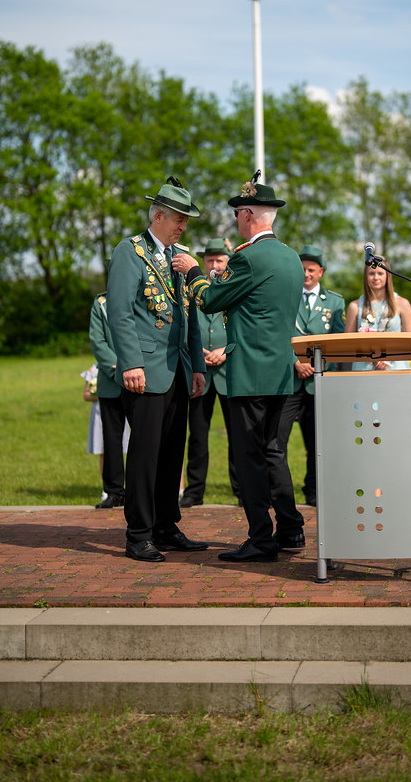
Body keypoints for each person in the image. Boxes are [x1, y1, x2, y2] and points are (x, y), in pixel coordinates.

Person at [173, 171, 305, 563]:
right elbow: (259, 303)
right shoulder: (291, 258)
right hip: (281, 371)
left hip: (249, 373)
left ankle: (261, 538)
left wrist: (195, 272)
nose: (235, 219)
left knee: (249, 457)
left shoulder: (247, 256)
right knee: (275, 454)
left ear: (248, 215)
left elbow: (211, 301)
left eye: (237, 213)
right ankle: (291, 528)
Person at [106, 177, 208, 562]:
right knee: (146, 454)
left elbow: (189, 314)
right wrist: (131, 362)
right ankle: (139, 533)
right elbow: (119, 312)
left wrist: (197, 365)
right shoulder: (129, 251)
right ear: (159, 215)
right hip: (145, 369)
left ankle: (166, 525)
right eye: (179, 218)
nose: (183, 226)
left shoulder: (181, 255)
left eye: (186, 220)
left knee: (170, 454)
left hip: (178, 370)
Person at [274, 244, 346, 506]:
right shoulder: (285, 297)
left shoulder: (335, 302)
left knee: (317, 442)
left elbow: (338, 341)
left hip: (319, 379)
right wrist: (296, 362)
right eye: (302, 269)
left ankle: (314, 490)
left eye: (311, 270)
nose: (306, 274)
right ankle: (278, 492)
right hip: (289, 379)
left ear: (321, 272)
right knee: (277, 439)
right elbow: (279, 333)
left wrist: (317, 364)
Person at [179, 238, 240, 508]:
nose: (215, 265)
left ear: (227, 262)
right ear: (203, 262)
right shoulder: (190, 288)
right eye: (211, 260)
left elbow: (242, 327)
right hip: (200, 369)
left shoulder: (235, 287)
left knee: (238, 435)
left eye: (220, 260)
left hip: (229, 371)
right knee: (198, 435)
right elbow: (184, 325)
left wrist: (225, 350)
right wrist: (198, 352)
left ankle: (241, 490)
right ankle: (194, 491)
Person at [89, 288, 129, 509]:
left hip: (141, 376)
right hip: (111, 378)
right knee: (112, 439)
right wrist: (118, 367)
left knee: (142, 438)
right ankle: (114, 491)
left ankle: (140, 490)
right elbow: (97, 339)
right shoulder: (101, 303)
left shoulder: (144, 294)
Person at [344, 257, 411, 370]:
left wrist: (390, 356)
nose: (376, 277)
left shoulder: (402, 303)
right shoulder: (355, 306)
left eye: (380, 273)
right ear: (365, 276)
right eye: (371, 273)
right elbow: (347, 344)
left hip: (395, 368)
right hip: (364, 369)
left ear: (387, 276)